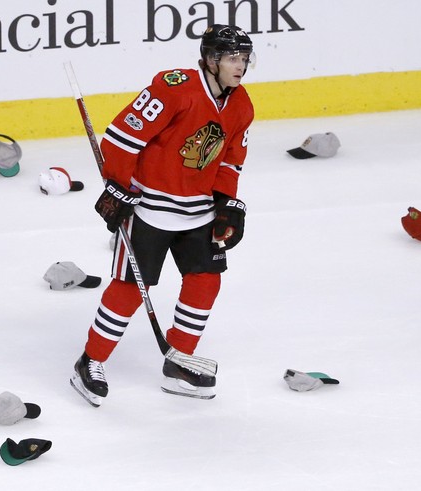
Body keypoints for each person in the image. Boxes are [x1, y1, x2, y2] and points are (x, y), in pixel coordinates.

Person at [70, 24, 255, 407]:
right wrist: (119, 186)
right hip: (149, 208)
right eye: (233, 58)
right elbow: (123, 135)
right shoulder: (174, 88)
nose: (241, 66)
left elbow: (231, 161)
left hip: (198, 211)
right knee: (130, 289)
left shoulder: (242, 106)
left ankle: (180, 362)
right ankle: (90, 361)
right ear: (210, 60)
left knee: (206, 282)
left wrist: (227, 205)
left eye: (244, 58)